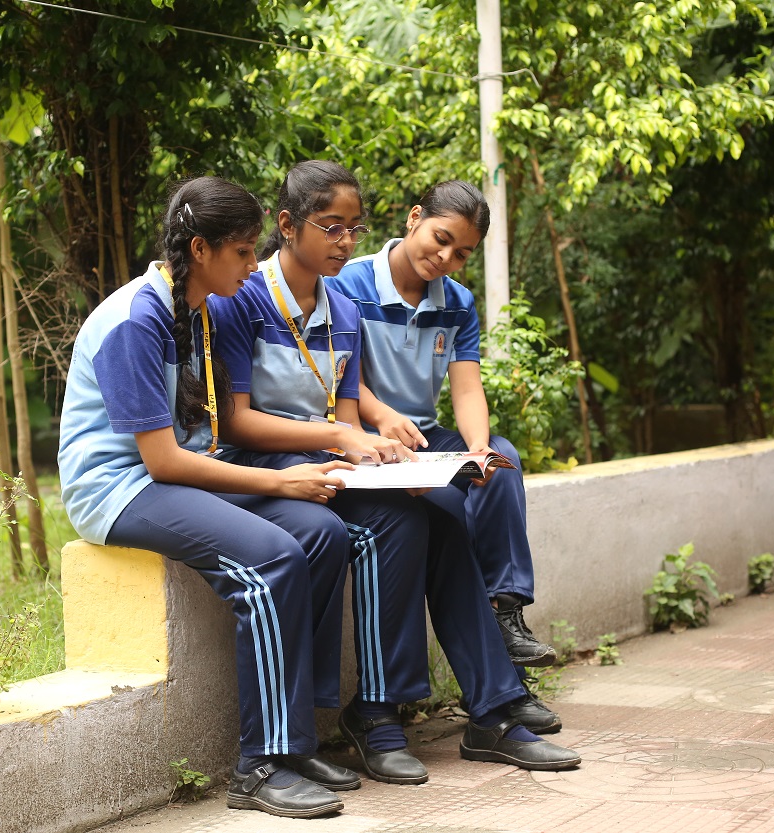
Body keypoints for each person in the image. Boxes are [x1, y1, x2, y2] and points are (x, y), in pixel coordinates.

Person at [207, 161, 581, 786]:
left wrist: (382, 459)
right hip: (270, 466)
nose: (345, 241)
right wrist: (350, 441)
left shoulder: (342, 308)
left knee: (435, 508)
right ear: (288, 226)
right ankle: (386, 713)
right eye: (332, 227)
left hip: (336, 460)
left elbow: (349, 415)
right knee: (401, 522)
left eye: (352, 228)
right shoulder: (247, 298)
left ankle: (481, 706)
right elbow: (239, 425)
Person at [57, 176, 361, 820]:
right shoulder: (136, 319)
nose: (255, 268)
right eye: (245, 253)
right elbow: (162, 460)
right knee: (273, 557)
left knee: (322, 535)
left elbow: (199, 444)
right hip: (119, 488)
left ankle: (295, 738)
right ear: (201, 249)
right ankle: (259, 767)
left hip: (177, 473)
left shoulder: (194, 308)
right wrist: (282, 480)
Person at [329, 181, 558, 682]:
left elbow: (467, 390)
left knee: (501, 462)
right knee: (455, 523)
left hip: (428, 439)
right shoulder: (347, 282)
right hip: (362, 437)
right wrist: (383, 415)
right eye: (441, 237)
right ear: (414, 218)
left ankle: (506, 610)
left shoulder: (458, 302)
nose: (447, 256)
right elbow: (338, 374)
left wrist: (477, 448)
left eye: (462, 253)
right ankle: (502, 685)